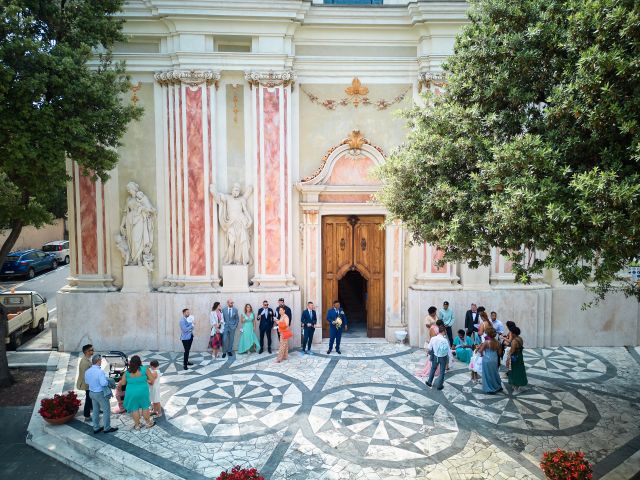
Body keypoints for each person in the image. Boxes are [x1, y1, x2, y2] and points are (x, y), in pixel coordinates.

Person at [119, 355, 156, 430]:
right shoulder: (145, 369)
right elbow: (152, 380)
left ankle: (137, 425)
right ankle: (148, 423)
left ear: (131, 363)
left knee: (134, 408)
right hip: (143, 392)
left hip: (131, 393)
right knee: (145, 407)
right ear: (139, 362)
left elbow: (122, 383)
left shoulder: (127, 372)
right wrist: (145, 380)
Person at [85, 353, 118, 434]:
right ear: (98, 361)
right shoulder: (100, 372)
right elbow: (103, 383)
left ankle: (96, 427)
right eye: (101, 360)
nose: (101, 362)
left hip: (91, 393)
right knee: (106, 410)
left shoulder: (88, 371)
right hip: (100, 394)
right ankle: (107, 428)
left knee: (95, 410)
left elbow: (86, 382)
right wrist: (108, 381)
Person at [425, 325, 452, 390]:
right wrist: (451, 358)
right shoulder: (445, 340)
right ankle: (439, 386)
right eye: (445, 331)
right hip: (443, 357)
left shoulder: (433, 339)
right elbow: (448, 350)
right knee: (442, 371)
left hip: (435, 356)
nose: (445, 332)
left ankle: (429, 382)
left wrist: (429, 354)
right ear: (443, 331)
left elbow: (429, 348)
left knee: (433, 369)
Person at [478, 327, 503, 394]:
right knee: (495, 373)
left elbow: (480, 351)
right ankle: (498, 386)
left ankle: (490, 389)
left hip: (487, 359)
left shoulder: (486, 342)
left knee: (487, 374)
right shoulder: (498, 342)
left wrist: (479, 348)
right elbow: (500, 353)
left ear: (488, 334)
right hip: (494, 359)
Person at [507, 327, 528, 393]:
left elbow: (512, 351)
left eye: (511, 333)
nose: (510, 334)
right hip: (520, 356)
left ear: (513, 333)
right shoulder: (520, 339)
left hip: (514, 358)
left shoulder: (514, 341)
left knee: (514, 371)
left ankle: (516, 386)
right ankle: (519, 384)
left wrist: (508, 358)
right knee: (520, 370)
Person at [76, 344, 94, 421]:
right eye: (91, 350)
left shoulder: (87, 359)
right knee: (88, 398)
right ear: (87, 351)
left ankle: (93, 408)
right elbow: (85, 376)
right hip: (87, 384)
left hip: (89, 383)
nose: (93, 351)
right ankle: (87, 415)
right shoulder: (85, 363)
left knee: (90, 398)